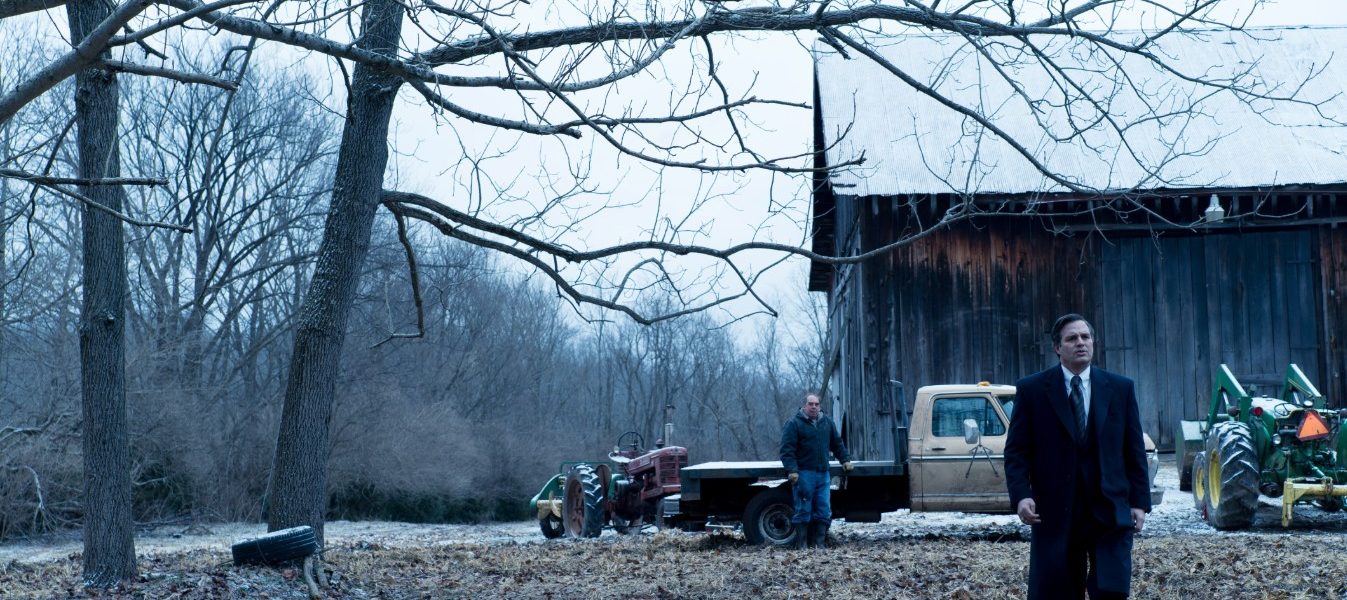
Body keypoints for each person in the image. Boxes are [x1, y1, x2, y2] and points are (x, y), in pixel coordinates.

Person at [1004, 314, 1151, 599]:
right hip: (1055, 514)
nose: (1081, 343)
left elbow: (1133, 450)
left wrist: (1139, 502)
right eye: (1072, 338)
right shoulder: (1033, 390)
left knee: (1111, 592)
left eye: (1086, 337)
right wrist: (1021, 495)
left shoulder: (1120, 388)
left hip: (1110, 511)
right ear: (1057, 348)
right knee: (1056, 592)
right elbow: (1017, 451)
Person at [779, 393, 852, 549]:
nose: (813, 407)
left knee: (824, 508)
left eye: (816, 404)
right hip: (803, 474)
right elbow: (787, 450)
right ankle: (802, 545)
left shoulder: (827, 422)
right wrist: (792, 470)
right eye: (810, 404)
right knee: (803, 509)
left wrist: (845, 460)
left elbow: (837, 444)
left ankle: (820, 544)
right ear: (804, 405)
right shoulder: (794, 423)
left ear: (820, 406)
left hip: (823, 473)